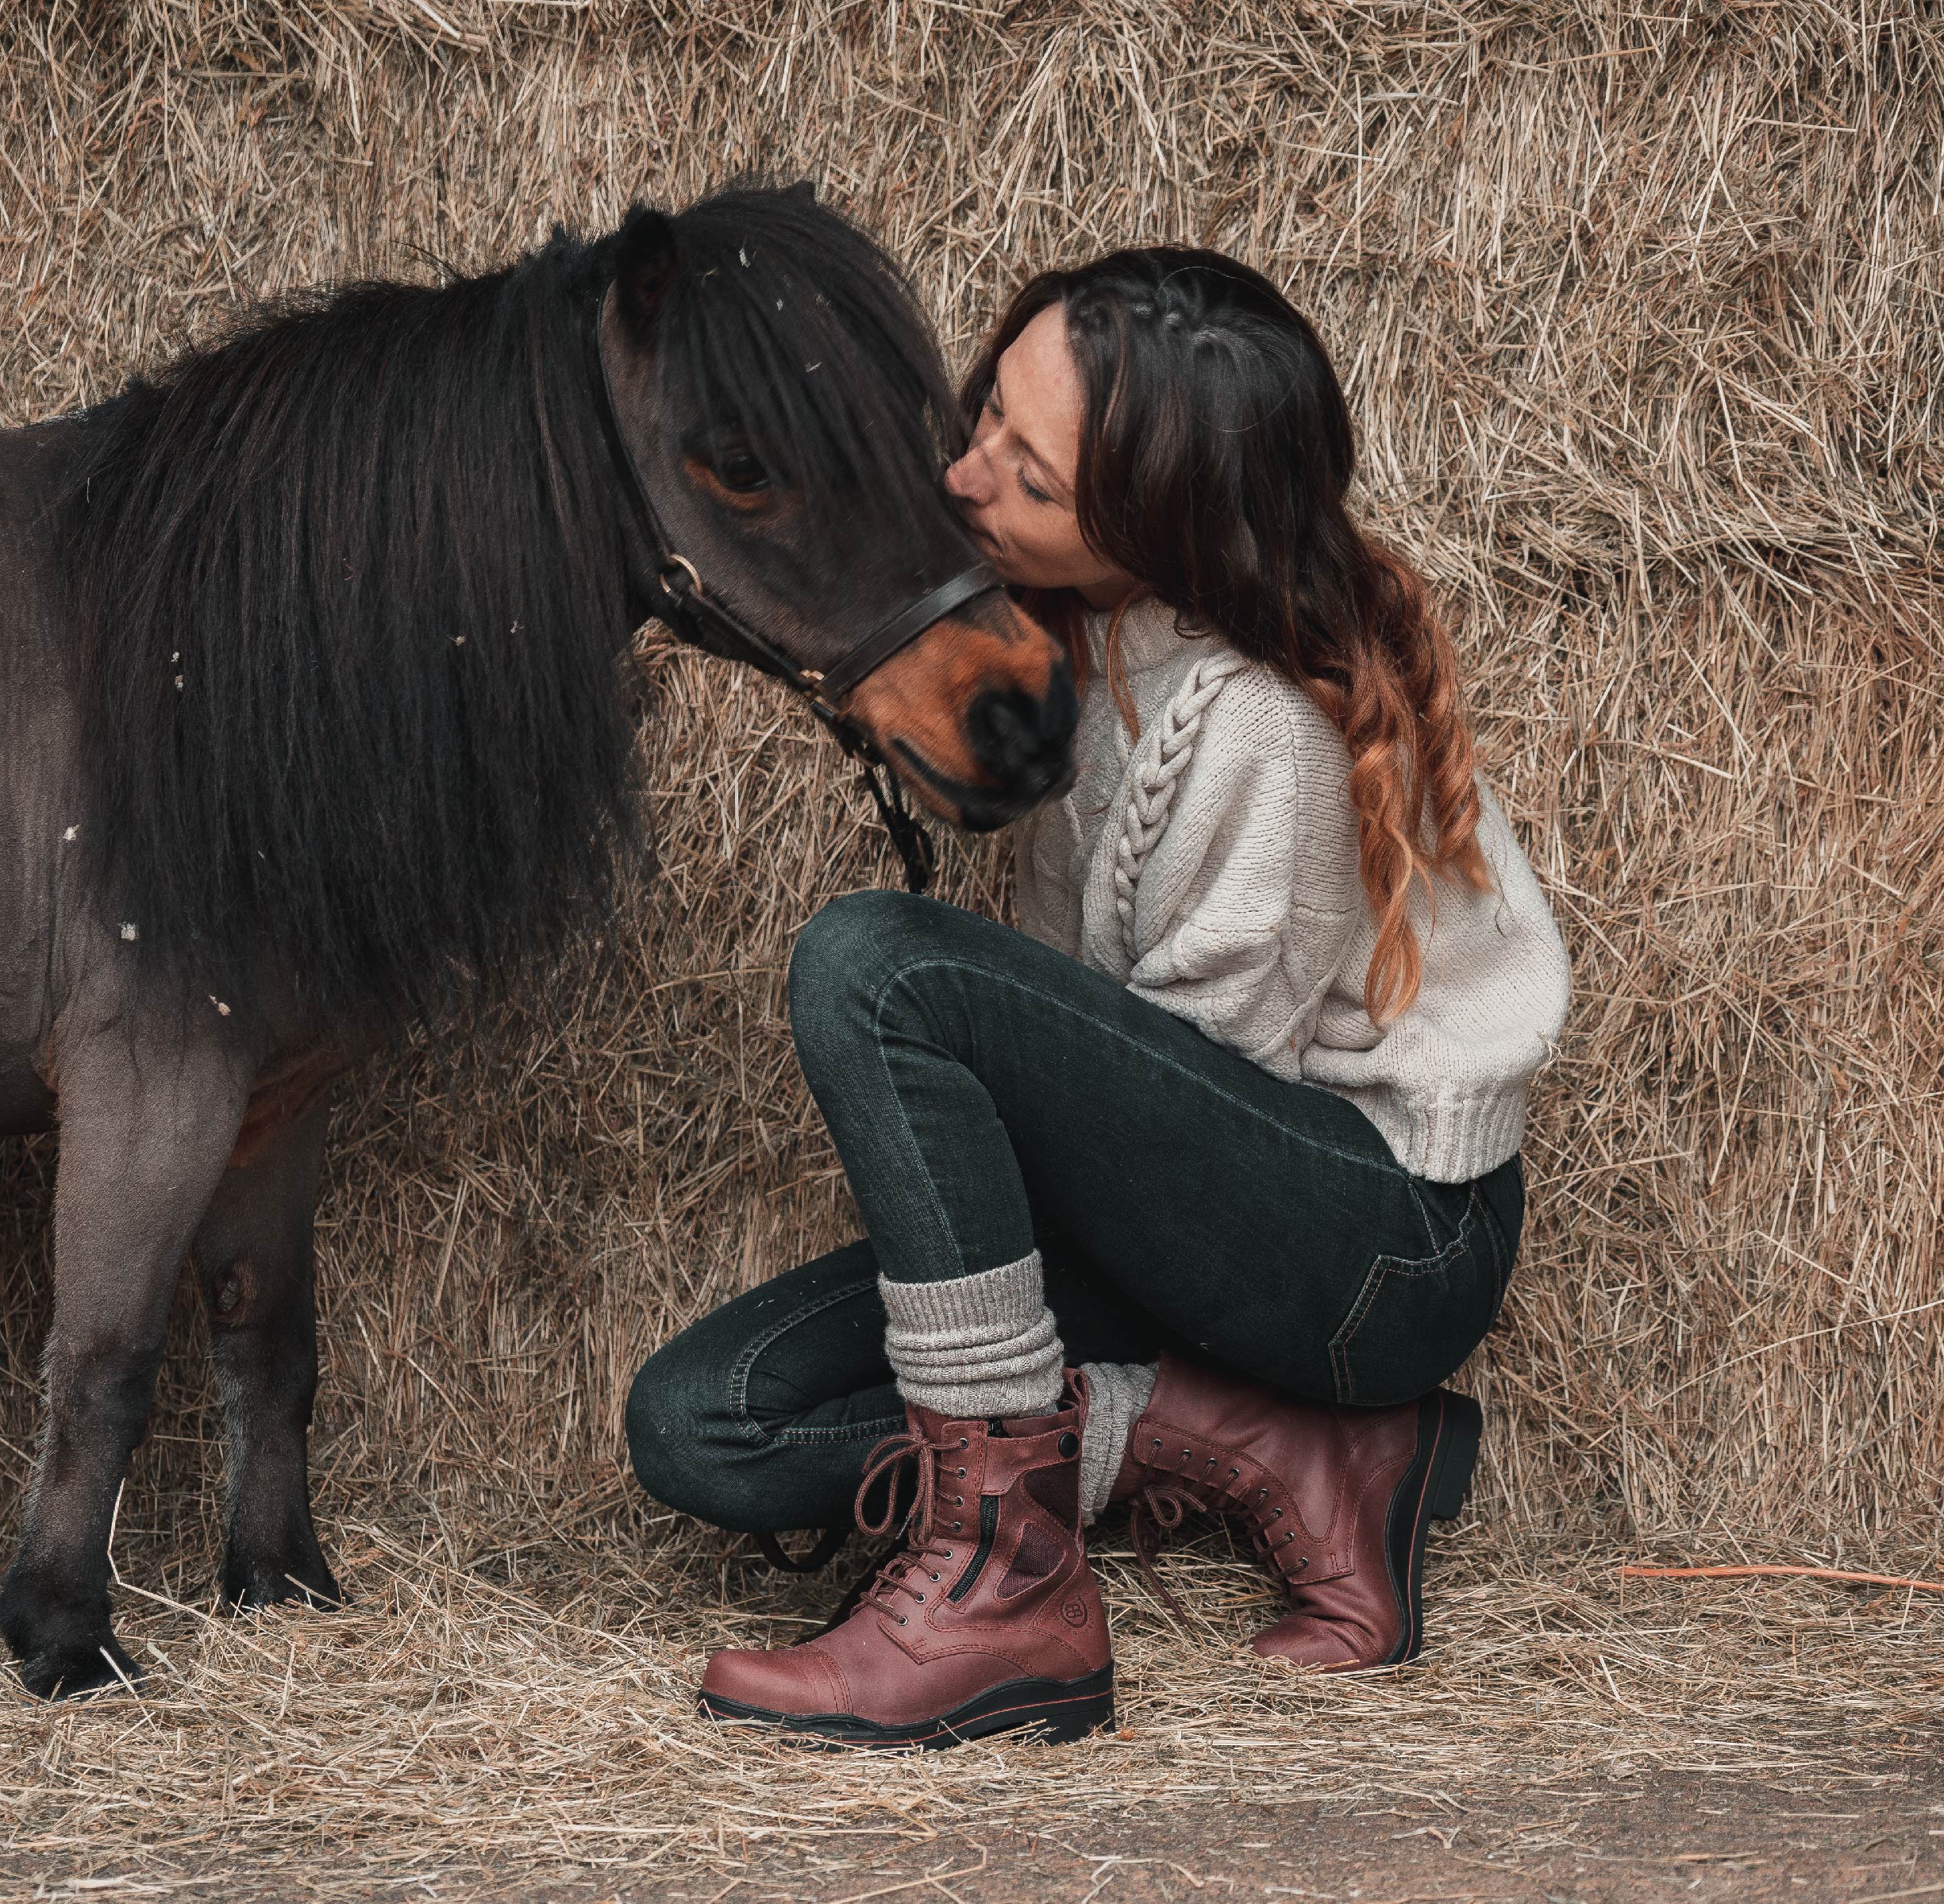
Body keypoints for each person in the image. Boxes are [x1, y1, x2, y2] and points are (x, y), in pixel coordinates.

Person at [624, 248, 1572, 1749]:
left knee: (876, 966)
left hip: (1377, 1240)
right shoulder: (1072, 632)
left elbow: (1165, 1117)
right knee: (707, 1420)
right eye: (988, 413)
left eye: (1032, 480)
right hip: (1206, 1203)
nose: (960, 476)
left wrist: (961, 1133)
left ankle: (1009, 1587)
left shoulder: (1258, 728)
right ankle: (1295, 1458)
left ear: (1159, 533)